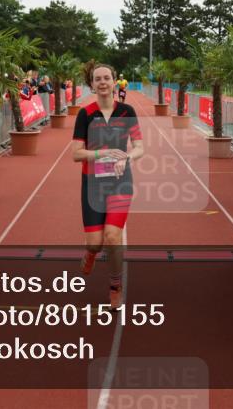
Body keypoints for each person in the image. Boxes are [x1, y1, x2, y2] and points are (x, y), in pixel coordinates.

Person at [71, 63, 144, 308]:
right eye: (97, 79)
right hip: (92, 184)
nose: (102, 82)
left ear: (115, 82)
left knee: (113, 238)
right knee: (95, 242)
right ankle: (91, 252)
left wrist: (126, 157)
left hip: (120, 182)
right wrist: (102, 155)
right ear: (92, 84)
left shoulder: (127, 111)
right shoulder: (85, 114)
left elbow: (140, 147)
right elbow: (76, 154)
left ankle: (115, 287)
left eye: (106, 78)